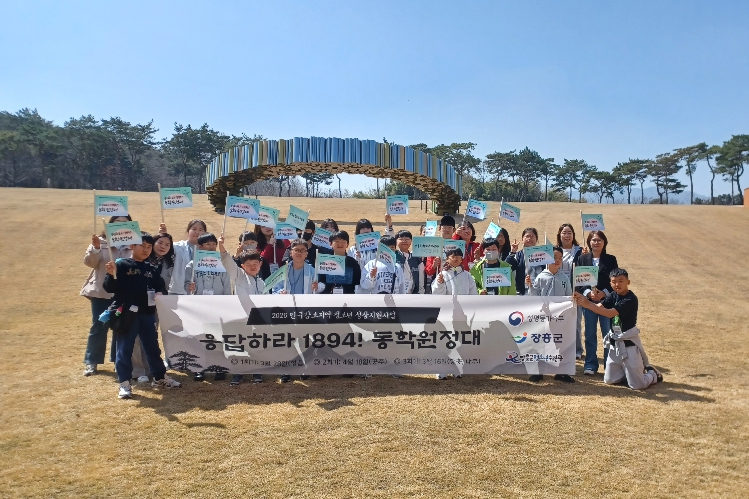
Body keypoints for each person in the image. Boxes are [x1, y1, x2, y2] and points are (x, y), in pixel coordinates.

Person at [103, 232, 181, 399]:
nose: (146, 250)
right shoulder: (121, 264)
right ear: (132, 246)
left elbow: (160, 286)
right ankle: (124, 383)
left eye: (149, 247)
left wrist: (160, 293)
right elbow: (109, 288)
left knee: (152, 347)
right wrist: (110, 274)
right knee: (124, 349)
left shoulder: (151, 268)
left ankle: (160, 377)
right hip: (126, 314)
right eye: (142, 246)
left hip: (147, 314)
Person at [574, 269, 662, 389]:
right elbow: (598, 306)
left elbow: (610, 313)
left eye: (621, 281)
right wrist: (581, 299)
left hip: (629, 344)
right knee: (609, 380)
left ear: (628, 282)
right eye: (614, 282)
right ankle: (628, 373)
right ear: (610, 283)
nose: (617, 284)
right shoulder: (613, 295)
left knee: (637, 385)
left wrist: (587, 304)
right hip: (615, 344)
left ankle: (652, 374)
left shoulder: (630, 299)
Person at [80, 215, 132, 376]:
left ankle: (118, 360)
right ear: (110, 225)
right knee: (99, 325)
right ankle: (92, 362)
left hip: (123, 294)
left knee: (121, 327)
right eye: (117, 223)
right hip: (102, 292)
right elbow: (89, 263)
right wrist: (96, 248)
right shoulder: (100, 242)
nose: (120, 226)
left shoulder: (133, 243)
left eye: (125, 223)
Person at [524, 246, 575, 383]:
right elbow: (534, 296)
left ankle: (561, 372)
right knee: (542, 342)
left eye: (560, 258)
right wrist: (530, 286)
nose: (557, 260)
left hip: (560, 317)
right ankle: (538, 372)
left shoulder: (564, 277)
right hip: (544, 316)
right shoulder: (541, 277)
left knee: (560, 343)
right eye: (554, 257)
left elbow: (568, 296)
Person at [219, 235, 265, 385]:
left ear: (260, 264)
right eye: (248, 264)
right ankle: (238, 373)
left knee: (256, 346)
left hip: (257, 320)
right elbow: (228, 262)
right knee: (239, 345)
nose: (252, 266)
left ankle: (257, 372)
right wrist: (221, 247)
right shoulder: (239, 276)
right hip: (241, 318)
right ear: (243, 266)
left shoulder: (262, 283)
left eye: (255, 263)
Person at [575, 230, 619, 375]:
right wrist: (588, 293)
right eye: (593, 240)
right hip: (588, 303)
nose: (596, 242)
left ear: (604, 242)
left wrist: (604, 293)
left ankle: (609, 366)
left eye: (599, 240)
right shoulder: (582, 259)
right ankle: (590, 365)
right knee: (590, 334)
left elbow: (615, 281)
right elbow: (578, 282)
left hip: (606, 303)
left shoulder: (611, 259)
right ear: (589, 242)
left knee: (608, 334)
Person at [432, 248, 477, 379]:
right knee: (444, 341)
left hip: (462, 314)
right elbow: (436, 294)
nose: (456, 258)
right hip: (446, 314)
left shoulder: (467, 275)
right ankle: (441, 371)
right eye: (452, 256)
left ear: (462, 258)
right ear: (447, 259)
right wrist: (439, 284)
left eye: (458, 256)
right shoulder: (443, 274)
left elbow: (473, 294)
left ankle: (456, 369)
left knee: (459, 341)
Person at [557, 223, 584, 360]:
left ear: (573, 235)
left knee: (575, 322)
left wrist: (586, 256)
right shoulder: (555, 250)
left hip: (574, 291)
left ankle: (577, 349)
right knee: (559, 322)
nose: (567, 235)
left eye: (569, 233)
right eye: (564, 233)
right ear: (559, 235)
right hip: (558, 291)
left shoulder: (580, 251)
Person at [168, 219, 206, 295]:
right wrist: (163, 235)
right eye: (194, 229)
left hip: (199, 293)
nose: (197, 232)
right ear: (188, 231)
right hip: (177, 291)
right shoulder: (177, 247)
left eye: (200, 230)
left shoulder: (207, 250)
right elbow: (164, 249)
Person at [505, 227, 545, 296]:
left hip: (540, 292)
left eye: (532, 236)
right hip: (523, 293)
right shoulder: (518, 255)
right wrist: (512, 252)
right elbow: (508, 268)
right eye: (527, 236)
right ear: (522, 239)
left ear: (536, 239)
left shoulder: (543, 255)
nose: (529, 238)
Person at [397, 230, 423, 294]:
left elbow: (421, 277)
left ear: (411, 241)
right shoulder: (394, 256)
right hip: (397, 293)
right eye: (401, 239)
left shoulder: (416, 258)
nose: (404, 241)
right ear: (396, 241)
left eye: (407, 239)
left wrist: (421, 292)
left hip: (412, 294)